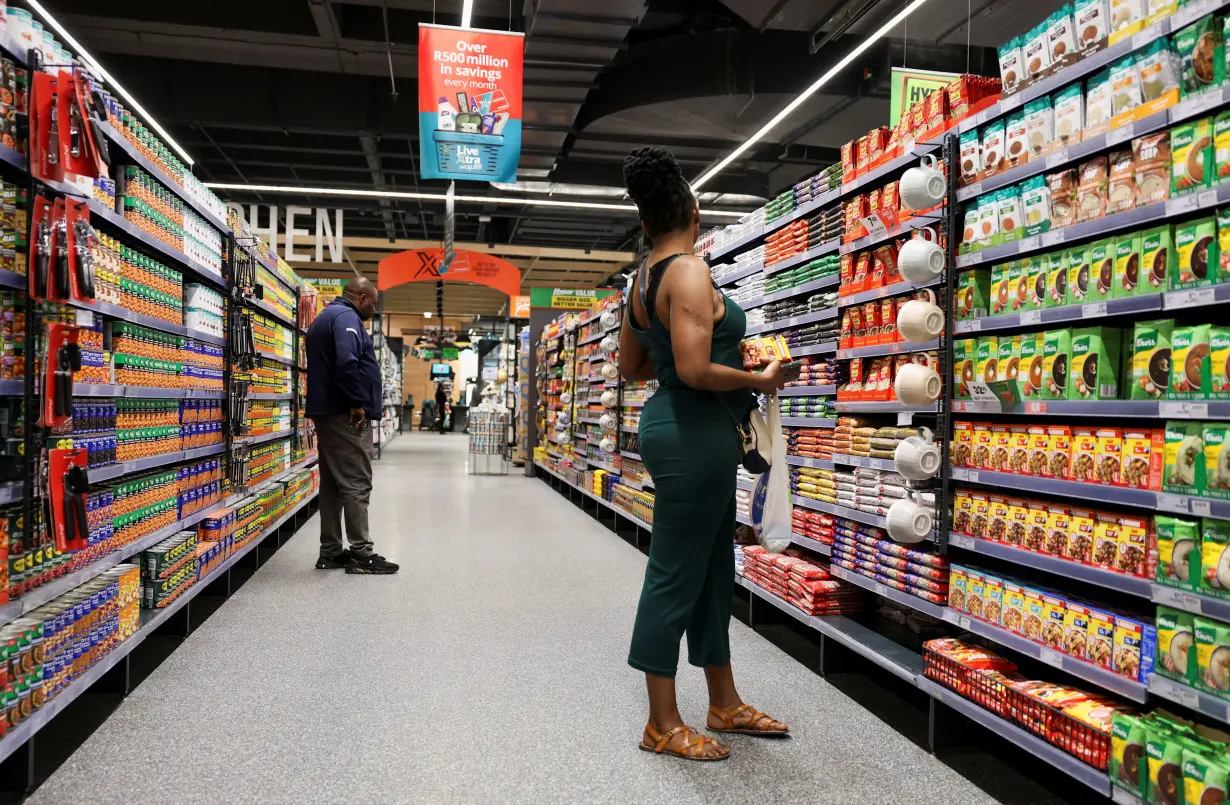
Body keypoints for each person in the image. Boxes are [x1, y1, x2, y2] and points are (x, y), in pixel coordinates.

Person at [618, 146, 788, 762]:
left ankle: (724, 701)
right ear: (694, 211)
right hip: (693, 434)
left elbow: (635, 365)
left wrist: (693, 351)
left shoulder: (638, 280)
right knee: (673, 573)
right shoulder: (688, 270)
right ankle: (661, 722)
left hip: (678, 425)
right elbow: (691, 368)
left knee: (715, 568)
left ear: (644, 222)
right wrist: (759, 380)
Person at [305, 277, 400, 575]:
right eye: (372, 302)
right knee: (358, 481)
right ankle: (361, 552)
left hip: (328, 411)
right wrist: (357, 401)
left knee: (334, 484)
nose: (374, 308)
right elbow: (346, 361)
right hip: (344, 414)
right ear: (361, 298)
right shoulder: (346, 318)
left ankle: (331, 551)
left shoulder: (325, 316)